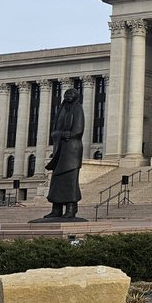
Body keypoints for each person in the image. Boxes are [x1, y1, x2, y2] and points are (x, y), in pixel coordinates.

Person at [44, 87, 85, 219]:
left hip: (72, 150)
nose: (68, 96)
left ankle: (71, 209)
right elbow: (54, 131)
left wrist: (69, 134)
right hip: (60, 150)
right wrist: (61, 134)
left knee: (70, 181)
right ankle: (56, 209)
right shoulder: (61, 110)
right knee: (56, 180)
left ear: (76, 96)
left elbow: (78, 130)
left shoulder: (78, 109)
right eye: (66, 93)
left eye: (71, 93)